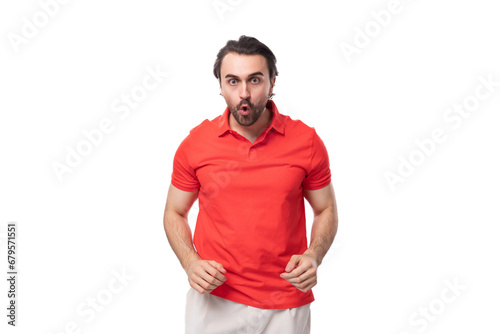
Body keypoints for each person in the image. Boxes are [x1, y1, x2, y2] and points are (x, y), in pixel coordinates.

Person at [163, 35, 338, 334]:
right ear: (220, 85)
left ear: (272, 83)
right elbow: (174, 212)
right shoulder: (196, 144)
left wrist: (314, 255)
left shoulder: (306, 142)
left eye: (255, 80)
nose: (244, 93)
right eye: (233, 81)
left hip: (286, 300)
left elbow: (326, 209)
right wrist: (190, 262)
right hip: (214, 299)